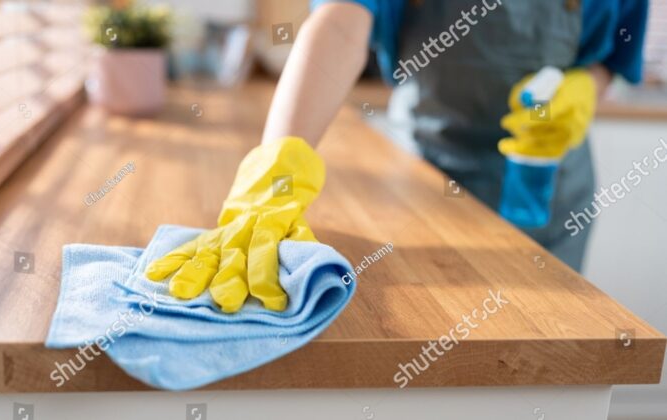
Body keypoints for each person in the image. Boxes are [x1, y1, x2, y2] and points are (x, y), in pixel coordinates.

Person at [146, 0, 649, 312]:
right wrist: (275, 168)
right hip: (422, 179)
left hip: (550, 190)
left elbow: (614, 52)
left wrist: (586, 86)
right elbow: (341, 22)